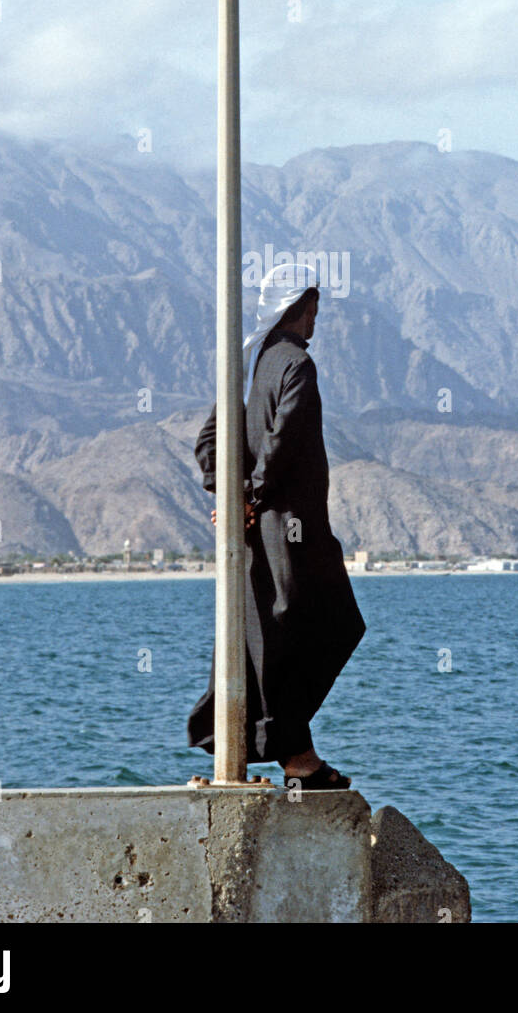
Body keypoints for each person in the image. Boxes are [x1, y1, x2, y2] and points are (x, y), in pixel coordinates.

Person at [187, 263, 366, 789]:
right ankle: (295, 755)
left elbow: (208, 442)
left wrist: (232, 494)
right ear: (297, 306)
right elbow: (283, 440)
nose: (316, 319)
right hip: (292, 530)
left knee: (267, 637)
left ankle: (284, 754)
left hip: (252, 531)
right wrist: (252, 497)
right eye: (313, 308)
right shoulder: (296, 367)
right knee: (334, 626)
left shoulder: (247, 364)